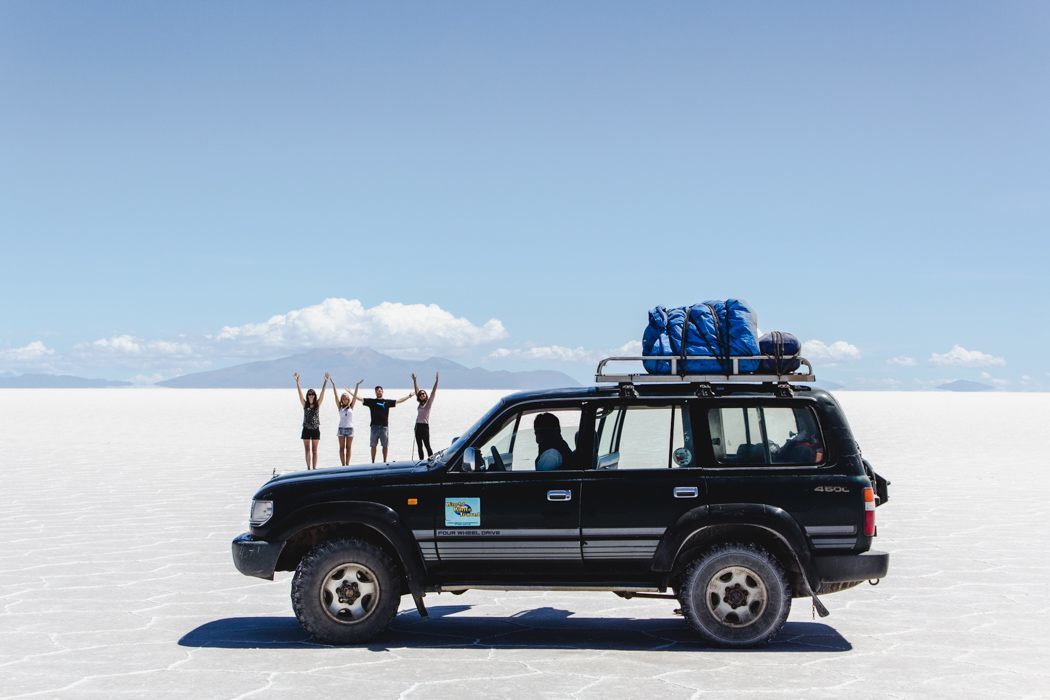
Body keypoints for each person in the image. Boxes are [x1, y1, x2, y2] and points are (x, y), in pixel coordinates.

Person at [362, 385, 413, 463]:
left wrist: (409, 396)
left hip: (384, 427)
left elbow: (399, 401)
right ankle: (372, 461)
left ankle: (385, 461)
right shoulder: (371, 402)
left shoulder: (387, 402)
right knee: (373, 446)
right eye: (377, 390)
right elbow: (360, 399)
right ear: (375, 392)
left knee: (385, 446)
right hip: (374, 427)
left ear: (382, 391)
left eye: (380, 390)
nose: (379, 391)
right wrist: (352, 393)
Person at [294, 372, 328, 470]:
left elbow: (322, 394)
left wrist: (325, 382)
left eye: (313, 394)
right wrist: (297, 382)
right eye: (309, 394)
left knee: (315, 450)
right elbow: (300, 395)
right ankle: (308, 468)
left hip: (315, 428)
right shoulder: (305, 405)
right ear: (307, 396)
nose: (311, 395)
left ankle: (314, 468)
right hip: (306, 429)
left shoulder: (317, 404)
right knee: (307, 449)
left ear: (314, 395)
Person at [330, 377, 363, 466]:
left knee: (348, 448)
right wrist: (333, 385)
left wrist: (357, 385)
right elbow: (335, 396)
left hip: (350, 429)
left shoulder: (351, 406)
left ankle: (347, 465)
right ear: (341, 400)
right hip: (341, 429)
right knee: (341, 448)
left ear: (348, 400)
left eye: (347, 398)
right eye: (344, 398)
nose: (345, 399)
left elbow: (355, 396)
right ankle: (343, 465)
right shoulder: (339, 407)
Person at [411, 372, 439, 458]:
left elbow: (433, 393)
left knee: (427, 445)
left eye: (423, 393)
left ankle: (432, 461)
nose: (422, 394)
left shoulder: (428, 403)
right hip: (417, 426)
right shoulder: (420, 404)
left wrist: (436, 381)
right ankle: (421, 462)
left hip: (424, 427)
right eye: (421, 394)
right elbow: (417, 391)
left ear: (425, 395)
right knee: (419, 446)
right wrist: (415, 381)